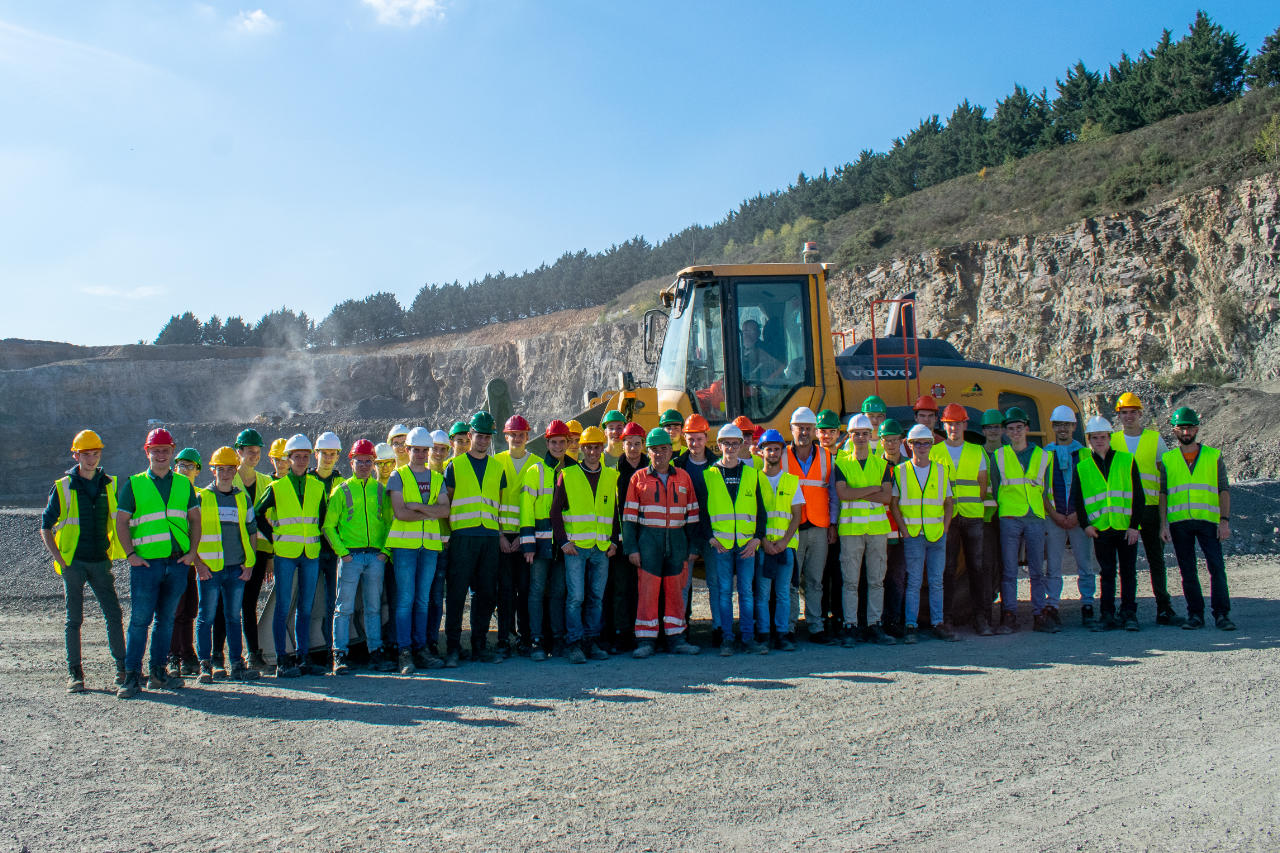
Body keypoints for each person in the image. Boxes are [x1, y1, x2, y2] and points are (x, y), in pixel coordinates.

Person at [114, 428, 201, 698]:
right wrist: (131, 555)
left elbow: (196, 520)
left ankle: (158, 673)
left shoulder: (183, 484)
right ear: (147, 451)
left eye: (165, 450)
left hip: (176, 564)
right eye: (156, 450)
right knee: (140, 621)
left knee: (165, 621)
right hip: (146, 566)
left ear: (172, 451)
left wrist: (191, 554)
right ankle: (131, 676)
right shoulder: (135, 484)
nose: (161, 454)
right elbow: (121, 522)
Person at [39, 429, 126, 693]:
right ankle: (74, 673)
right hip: (74, 564)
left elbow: (120, 521)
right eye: (86, 454)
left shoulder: (109, 484)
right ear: (76, 455)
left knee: (114, 614)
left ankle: (122, 668)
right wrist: (60, 560)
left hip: (100, 561)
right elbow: (45, 526)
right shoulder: (63, 487)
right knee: (74, 619)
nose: (91, 459)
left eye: (96, 453)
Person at [623, 429, 701, 658]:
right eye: (654, 450)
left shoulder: (684, 477)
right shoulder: (638, 479)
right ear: (648, 452)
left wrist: (693, 548)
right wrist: (632, 548)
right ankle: (646, 641)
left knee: (675, 593)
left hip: (677, 544)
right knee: (647, 593)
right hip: (648, 544)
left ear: (671, 451)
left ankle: (676, 640)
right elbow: (628, 518)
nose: (659, 454)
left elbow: (693, 516)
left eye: (663, 449)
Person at [254, 433, 326, 677]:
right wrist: (274, 536)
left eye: (306, 456)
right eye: (297, 457)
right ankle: (283, 660)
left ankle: (304, 658)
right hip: (285, 553)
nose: (302, 460)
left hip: (310, 552)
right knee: (284, 607)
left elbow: (321, 517)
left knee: (305, 607)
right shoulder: (277, 487)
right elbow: (257, 514)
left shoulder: (317, 486)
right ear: (289, 458)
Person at [1159, 407, 1234, 631]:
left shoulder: (1213, 456)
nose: (1186, 431)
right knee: (1187, 570)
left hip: (1209, 521)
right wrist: (1164, 524)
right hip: (1180, 522)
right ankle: (1195, 615)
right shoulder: (1168, 459)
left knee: (1217, 568)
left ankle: (1222, 614)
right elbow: (1163, 493)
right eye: (1181, 427)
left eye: (1190, 427)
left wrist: (1224, 521)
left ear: (1197, 429)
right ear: (1174, 430)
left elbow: (1223, 489)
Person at [1111, 392, 1183, 625]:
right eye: (1124, 413)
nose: (1129, 416)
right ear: (1119, 416)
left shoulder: (1155, 439)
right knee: (1127, 562)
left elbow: (1164, 478)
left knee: (1156, 559)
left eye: (1133, 412)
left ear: (1141, 414)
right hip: (1124, 509)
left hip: (1151, 507)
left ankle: (1164, 608)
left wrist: (1165, 518)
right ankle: (1127, 609)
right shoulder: (1113, 442)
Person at [443, 412, 509, 666]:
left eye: (487, 437)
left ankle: (479, 646)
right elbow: (447, 501)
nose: (483, 441)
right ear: (470, 436)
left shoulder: (497, 468)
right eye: (479, 436)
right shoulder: (455, 466)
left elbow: (499, 505)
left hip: (489, 538)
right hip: (462, 537)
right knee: (458, 594)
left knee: (485, 593)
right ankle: (452, 648)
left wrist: (500, 534)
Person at [323, 439, 394, 675]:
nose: (363, 465)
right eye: (359, 461)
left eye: (368, 461)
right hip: (351, 558)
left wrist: (385, 552)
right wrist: (343, 553)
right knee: (344, 608)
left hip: (375, 558)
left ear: (373, 463)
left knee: (373, 608)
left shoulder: (381, 491)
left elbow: (389, 524)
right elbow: (328, 526)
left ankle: (375, 652)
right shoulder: (341, 491)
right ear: (351, 462)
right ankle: (339, 655)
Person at [192, 447, 261, 684]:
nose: (226, 473)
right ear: (213, 470)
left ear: (235, 470)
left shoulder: (243, 497)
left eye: (230, 469)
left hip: (235, 568)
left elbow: (252, 531)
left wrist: (249, 563)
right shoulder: (202, 498)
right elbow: (191, 534)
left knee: (233, 617)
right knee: (207, 617)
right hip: (210, 570)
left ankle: (236, 663)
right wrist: (198, 565)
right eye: (221, 469)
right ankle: (206, 664)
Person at [552, 426, 619, 663]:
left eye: (596, 447)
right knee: (576, 597)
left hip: (601, 547)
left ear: (603, 448)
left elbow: (614, 512)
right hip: (576, 547)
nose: (592, 451)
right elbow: (555, 512)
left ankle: (591, 642)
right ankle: (574, 643)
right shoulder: (568, 475)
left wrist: (613, 541)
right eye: (588, 447)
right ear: (581, 449)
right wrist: (562, 542)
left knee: (596, 598)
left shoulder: (611, 476)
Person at [386, 427, 450, 673]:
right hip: (404, 547)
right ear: (408, 450)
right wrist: (429, 509)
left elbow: (445, 511)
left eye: (425, 450)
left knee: (422, 600)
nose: (421, 454)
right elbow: (400, 513)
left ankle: (420, 648)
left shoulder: (437, 478)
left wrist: (417, 506)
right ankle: (404, 652)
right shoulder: (398, 476)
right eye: (417, 450)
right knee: (405, 599)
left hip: (430, 547)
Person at [1072, 416, 1144, 632]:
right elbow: (1078, 498)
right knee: (1107, 572)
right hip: (1101, 528)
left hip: (1124, 527)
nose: (1099, 441)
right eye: (1095, 438)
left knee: (1128, 572)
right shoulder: (1083, 467)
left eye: (1103, 437)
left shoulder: (1127, 460)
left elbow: (1138, 496)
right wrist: (1085, 524)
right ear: (1089, 440)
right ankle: (1107, 615)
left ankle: (1129, 613)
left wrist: (1134, 526)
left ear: (1109, 437)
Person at [702, 424, 766, 656]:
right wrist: (710, 538)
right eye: (726, 443)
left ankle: (747, 638)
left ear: (742, 445)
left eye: (735, 443)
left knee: (746, 593)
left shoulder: (752, 474)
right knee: (724, 592)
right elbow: (701, 511)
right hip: (721, 545)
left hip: (747, 545)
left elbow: (761, 510)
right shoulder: (708, 475)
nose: (730, 447)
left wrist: (757, 539)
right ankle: (728, 639)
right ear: (718, 446)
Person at [991, 407, 1056, 634]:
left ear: (1027, 429)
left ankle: (1039, 614)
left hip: (1035, 518)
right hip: (1010, 517)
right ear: (1006, 432)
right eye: (1011, 429)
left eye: (1019, 428)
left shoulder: (1043, 456)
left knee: (1037, 569)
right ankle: (1009, 615)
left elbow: (1045, 489)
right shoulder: (999, 456)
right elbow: (996, 487)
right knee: (1009, 570)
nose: (1016, 432)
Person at [889, 425, 956, 644]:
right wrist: (904, 529)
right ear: (909, 445)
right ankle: (911, 625)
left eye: (926, 443)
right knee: (914, 581)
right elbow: (894, 504)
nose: (922, 447)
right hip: (914, 535)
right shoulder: (900, 471)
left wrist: (945, 527)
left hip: (937, 534)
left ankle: (938, 623)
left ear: (931, 444)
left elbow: (949, 502)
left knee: (937, 581)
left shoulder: (941, 470)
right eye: (917, 443)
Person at [930, 404, 992, 635]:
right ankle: (946, 619)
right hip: (947, 518)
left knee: (977, 568)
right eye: (950, 424)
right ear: (944, 426)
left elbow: (982, 485)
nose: (954, 428)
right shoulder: (935, 452)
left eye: (958, 423)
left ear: (965, 424)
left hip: (972, 515)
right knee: (947, 569)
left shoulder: (977, 452)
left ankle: (981, 618)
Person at [834, 414, 894, 646]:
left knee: (876, 580)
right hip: (850, 531)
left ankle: (874, 624)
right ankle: (850, 625)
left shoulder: (883, 464)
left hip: (877, 530)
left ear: (872, 436)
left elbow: (887, 497)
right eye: (855, 433)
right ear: (849, 436)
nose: (860, 437)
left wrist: (857, 491)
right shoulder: (841, 463)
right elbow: (843, 494)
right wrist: (871, 488)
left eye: (864, 433)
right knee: (850, 581)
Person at [520, 420, 573, 660]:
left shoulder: (575, 469)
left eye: (562, 442)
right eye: (554, 442)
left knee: (559, 592)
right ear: (547, 443)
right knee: (536, 591)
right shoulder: (535, 471)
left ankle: (558, 639)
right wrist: (528, 543)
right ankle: (536, 640)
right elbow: (526, 509)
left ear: (568, 443)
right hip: (540, 543)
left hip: (566, 543)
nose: (558, 446)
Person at [784, 406, 837, 644]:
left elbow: (833, 494)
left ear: (815, 430)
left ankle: (816, 625)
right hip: (791, 528)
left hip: (818, 526)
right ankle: (790, 626)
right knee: (792, 580)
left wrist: (833, 524)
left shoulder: (827, 456)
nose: (804, 433)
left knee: (816, 580)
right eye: (800, 428)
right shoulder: (781, 455)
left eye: (808, 428)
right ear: (791, 429)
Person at [1042, 406, 1099, 628]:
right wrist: (1053, 513)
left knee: (1085, 563)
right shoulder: (1045, 454)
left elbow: (1091, 489)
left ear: (1074, 426)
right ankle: (1053, 605)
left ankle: (1087, 603)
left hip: (1078, 518)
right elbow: (1041, 488)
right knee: (1054, 565)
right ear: (1053, 426)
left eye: (1067, 424)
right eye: (1058, 425)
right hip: (1054, 516)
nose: (1062, 429)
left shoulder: (1085, 454)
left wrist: (1078, 514)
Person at [673, 413, 718, 644]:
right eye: (690, 439)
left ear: (706, 438)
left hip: (712, 532)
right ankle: (681, 629)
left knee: (715, 582)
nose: (694, 444)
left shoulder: (717, 465)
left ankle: (720, 628)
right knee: (684, 584)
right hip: (686, 532)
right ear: (685, 439)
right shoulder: (678, 465)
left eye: (698, 439)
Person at [755, 430, 802, 651]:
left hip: (785, 548)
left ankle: (782, 634)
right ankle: (764, 634)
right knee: (763, 593)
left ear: (782, 452)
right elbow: (752, 514)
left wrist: (784, 542)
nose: (772, 452)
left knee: (783, 593)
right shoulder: (754, 479)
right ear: (761, 451)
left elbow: (797, 517)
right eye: (768, 449)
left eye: (776, 449)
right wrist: (764, 541)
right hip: (763, 547)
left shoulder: (792, 481)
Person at [495, 415, 537, 657]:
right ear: (506, 436)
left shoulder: (537, 464)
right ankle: (504, 638)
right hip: (502, 537)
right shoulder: (496, 463)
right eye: (513, 434)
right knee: (505, 591)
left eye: (521, 434)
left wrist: (525, 535)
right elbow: (491, 502)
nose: (517, 438)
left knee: (525, 589)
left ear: (527, 436)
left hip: (525, 537)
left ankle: (525, 638)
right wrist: (500, 534)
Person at [232, 428, 274, 672]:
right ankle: (229, 656)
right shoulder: (228, 479)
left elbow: (268, 521)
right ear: (240, 452)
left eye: (257, 452)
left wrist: (269, 556)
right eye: (249, 452)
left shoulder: (266, 482)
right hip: (233, 553)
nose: (254, 456)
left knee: (249, 603)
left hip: (257, 554)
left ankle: (252, 653)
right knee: (228, 607)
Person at [604, 421, 648, 653]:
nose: (633, 448)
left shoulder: (652, 470)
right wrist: (613, 539)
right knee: (620, 590)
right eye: (629, 443)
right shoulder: (614, 472)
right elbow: (609, 508)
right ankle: (621, 635)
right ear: (622, 445)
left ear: (643, 445)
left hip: (647, 539)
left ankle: (646, 634)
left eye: (637, 443)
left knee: (645, 590)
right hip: (621, 541)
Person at [167, 447, 203, 679]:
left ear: (198, 471)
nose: (186, 470)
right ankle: (173, 655)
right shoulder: (171, 492)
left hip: (194, 562)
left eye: (190, 466)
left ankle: (188, 652)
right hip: (176, 559)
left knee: (190, 608)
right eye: (182, 465)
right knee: (175, 609)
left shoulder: (201, 495)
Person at [310, 431, 344, 667]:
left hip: (333, 551)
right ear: (317, 454)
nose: (329, 458)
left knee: (333, 601)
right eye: (325, 453)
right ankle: (310, 650)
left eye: (333, 454)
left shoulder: (341, 483)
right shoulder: (306, 480)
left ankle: (330, 649)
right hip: (310, 549)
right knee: (309, 602)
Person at [815, 409, 847, 634]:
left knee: (839, 573)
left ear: (839, 433)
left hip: (844, 524)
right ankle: (822, 616)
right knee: (820, 574)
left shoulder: (845, 458)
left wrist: (834, 524)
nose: (827, 435)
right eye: (823, 431)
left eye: (831, 431)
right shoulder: (812, 458)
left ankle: (838, 615)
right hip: (819, 522)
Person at [877, 419, 908, 637]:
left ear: (901, 441)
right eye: (887, 440)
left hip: (904, 531)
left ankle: (895, 621)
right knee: (877, 579)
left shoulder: (909, 467)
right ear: (880, 441)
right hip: (880, 531)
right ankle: (875, 622)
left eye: (895, 440)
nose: (891, 444)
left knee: (898, 578)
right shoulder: (875, 467)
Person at [979, 409, 1004, 630]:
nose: (993, 431)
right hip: (986, 519)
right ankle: (986, 615)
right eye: (989, 428)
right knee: (987, 566)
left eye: (996, 427)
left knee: (1006, 567)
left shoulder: (1009, 455)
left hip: (1006, 517)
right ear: (984, 431)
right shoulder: (979, 455)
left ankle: (1008, 614)